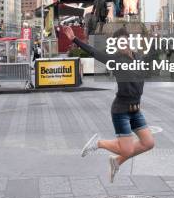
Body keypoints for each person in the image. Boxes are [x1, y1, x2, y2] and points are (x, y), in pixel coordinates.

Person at [62, 25, 155, 183]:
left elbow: (151, 59)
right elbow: (94, 52)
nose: (123, 45)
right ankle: (98, 143)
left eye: (125, 42)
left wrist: (154, 39)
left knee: (148, 143)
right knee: (127, 148)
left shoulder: (138, 57)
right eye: (119, 43)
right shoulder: (115, 60)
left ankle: (117, 161)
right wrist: (74, 40)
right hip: (121, 110)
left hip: (136, 111)